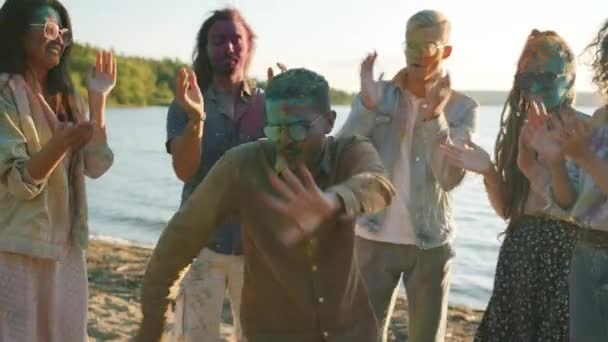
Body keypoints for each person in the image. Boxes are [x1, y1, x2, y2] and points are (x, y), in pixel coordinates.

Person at [137, 68, 395, 342]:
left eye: (297, 128)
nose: (284, 140)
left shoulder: (350, 152)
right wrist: (151, 325)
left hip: (350, 333)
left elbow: (378, 184)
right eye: (275, 128)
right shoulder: (243, 166)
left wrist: (333, 201)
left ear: (329, 121)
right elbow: (179, 240)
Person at [337, 10, 478, 342]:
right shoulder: (377, 94)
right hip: (371, 236)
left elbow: (450, 179)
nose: (416, 54)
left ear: (446, 51)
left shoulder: (462, 108)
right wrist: (367, 108)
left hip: (431, 244)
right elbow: (341, 156)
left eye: (427, 45)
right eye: (410, 45)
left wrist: (434, 119)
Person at [440, 29, 587, 341]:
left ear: (570, 80)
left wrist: (553, 161)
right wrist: (490, 173)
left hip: (569, 262)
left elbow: (584, 213)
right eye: (527, 79)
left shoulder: (587, 132)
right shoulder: (517, 134)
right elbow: (509, 210)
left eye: (547, 77)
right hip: (519, 258)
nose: (535, 87)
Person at [0, 0, 115, 340]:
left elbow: (96, 165)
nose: (58, 39)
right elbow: (19, 182)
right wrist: (60, 144)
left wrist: (98, 100)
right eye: (49, 28)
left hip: (67, 249)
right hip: (16, 247)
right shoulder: (4, 91)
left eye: (63, 31)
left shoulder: (67, 97)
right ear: (18, 31)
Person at [164, 8, 266, 341]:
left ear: (248, 46)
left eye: (236, 39)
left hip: (255, 248)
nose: (229, 48)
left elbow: (285, 169)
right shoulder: (185, 103)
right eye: (218, 40)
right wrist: (196, 119)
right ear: (206, 49)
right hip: (199, 245)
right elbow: (184, 171)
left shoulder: (266, 104)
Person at [558, 19, 608, 341]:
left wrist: (586, 158)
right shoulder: (601, 118)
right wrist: (551, 162)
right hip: (587, 250)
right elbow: (574, 204)